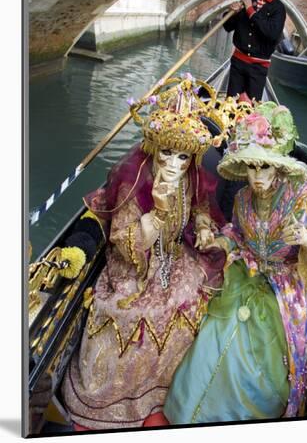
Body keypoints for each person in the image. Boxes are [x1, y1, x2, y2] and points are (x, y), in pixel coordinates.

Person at [61, 76, 227, 430]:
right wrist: (159, 214)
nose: (174, 164)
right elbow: (123, 241)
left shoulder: (192, 176)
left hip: (172, 257)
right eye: (167, 152)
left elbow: (199, 207)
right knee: (130, 313)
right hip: (133, 267)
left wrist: (201, 227)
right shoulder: (132, 176)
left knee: (193, 299)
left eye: (183, 156)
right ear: (153, 147)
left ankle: (171, 390)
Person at [164, 101, 307, 423]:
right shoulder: (242, 198)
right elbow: (237, 233)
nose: (257, 176)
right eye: (251, 166)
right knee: (211, 330)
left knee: (258, 360)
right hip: (244, 273)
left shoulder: (304, 195)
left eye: (264, 167)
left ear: (278, 166)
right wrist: (219, 240)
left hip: (285, 292)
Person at [224, 0, 290, 100]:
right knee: (230, 107)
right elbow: (227, 27)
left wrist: (250, 10)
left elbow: (271, 34)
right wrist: (232, 12)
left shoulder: (279, 9)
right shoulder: (249, 0)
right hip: (238, 64)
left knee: (251, 115)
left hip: (258, 69)